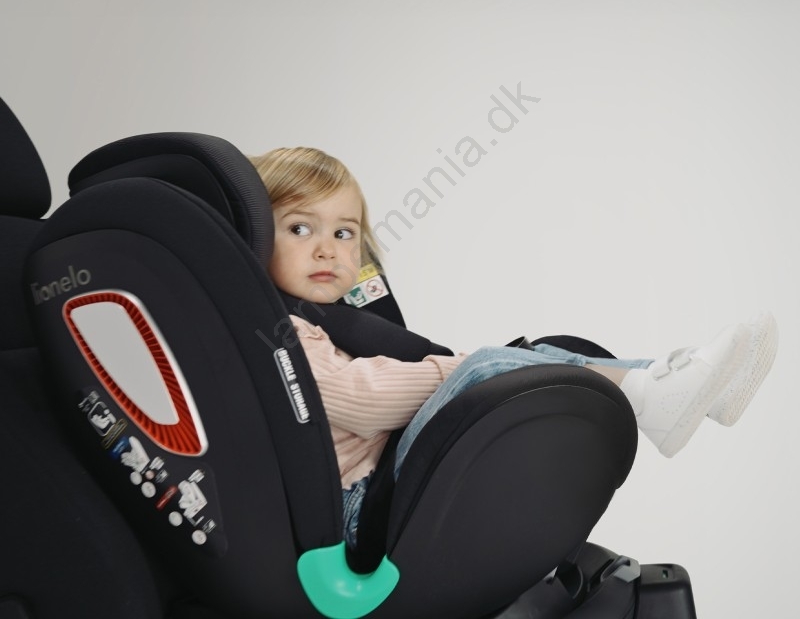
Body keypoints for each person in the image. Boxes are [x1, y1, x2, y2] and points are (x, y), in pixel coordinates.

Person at [249, 146, 778, 551]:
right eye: (300, 228)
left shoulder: (333, 324)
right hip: (357, 513)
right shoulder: (280, 336)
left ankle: (682, 387)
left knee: (544, 351)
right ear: (253, 240)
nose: (327, 249)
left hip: (385, 483)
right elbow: (362, 399)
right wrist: (464, 371)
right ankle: (655, 393)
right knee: (491, 368)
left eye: (344, 233)